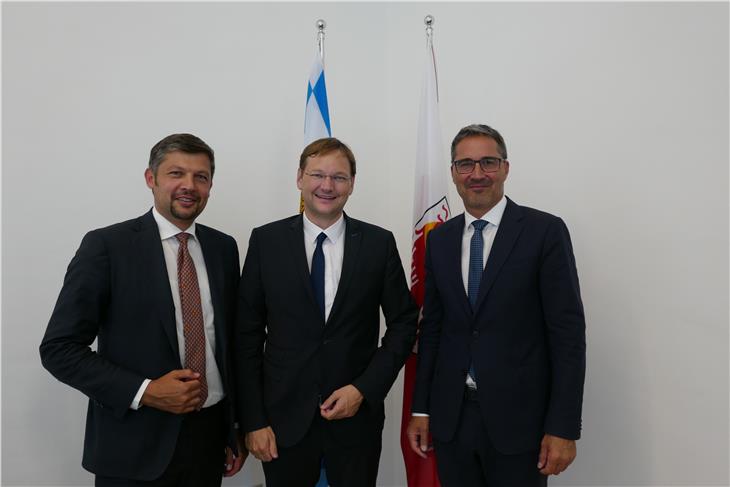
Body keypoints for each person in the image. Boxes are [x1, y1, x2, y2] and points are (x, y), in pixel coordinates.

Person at [40, 133, 246, 486]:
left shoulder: (223, 248)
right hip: (133, 447)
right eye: (176, 173)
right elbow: (59, 349)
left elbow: (227, 346)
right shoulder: (107, 246)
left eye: (201, 176)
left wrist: (233, 429)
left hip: (208, 442)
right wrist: (145, 391)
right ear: (151, 179)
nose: (189, 186)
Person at [407, 124, 586, 486]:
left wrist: (563, 427)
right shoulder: (439, 239)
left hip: (520, 425)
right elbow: (433, 331)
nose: (477, 174)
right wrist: (421, 408)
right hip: (452, 420)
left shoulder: (544, 232)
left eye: (487, 162)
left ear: (505, 168)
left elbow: (567, 335)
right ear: (453, 173)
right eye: (465, 164)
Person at [234, 137, 418, 487]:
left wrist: (363, 389)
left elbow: (404, 323)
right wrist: (253, 421)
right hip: (281, 422)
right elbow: (246, 336)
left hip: (356, 422)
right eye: (317, 174)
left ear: (352, 183)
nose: (327, 186)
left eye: (339, 177)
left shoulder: (378, 244)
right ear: (300, 178)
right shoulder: (265, 242)